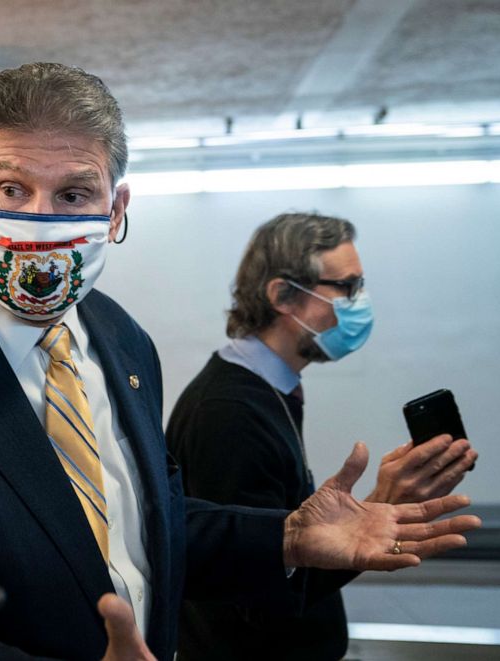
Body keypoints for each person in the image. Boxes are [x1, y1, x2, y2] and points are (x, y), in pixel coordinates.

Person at [0, 63, 479, 661]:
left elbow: (151, 525)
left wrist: (290, 536)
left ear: (115, 208)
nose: (41, 219)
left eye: (73, 194)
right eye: (12, 189)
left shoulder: (120, 340)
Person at [165, 212, 479, 660]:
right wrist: (379, 505)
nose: (360, 301)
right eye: (347, 288)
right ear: (283, 297)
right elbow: (258, 598)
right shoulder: (228, 412)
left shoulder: (271, 389)